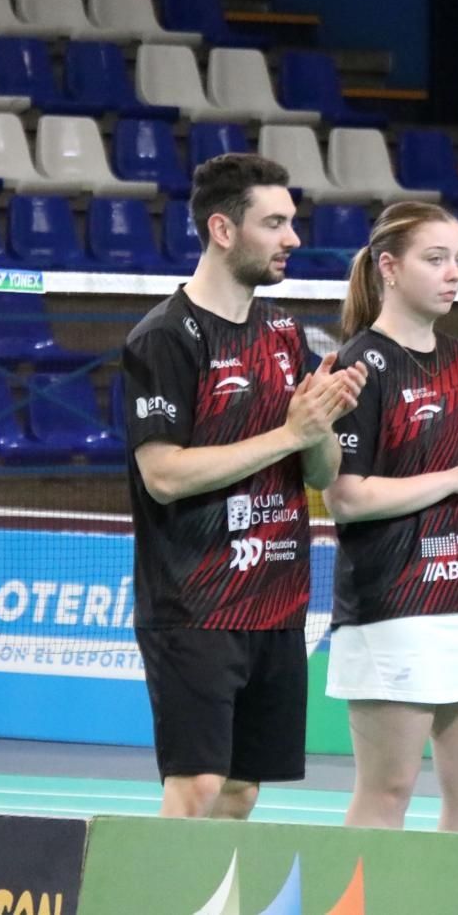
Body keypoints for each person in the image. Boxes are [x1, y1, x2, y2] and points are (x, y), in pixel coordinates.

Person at [123, 154, 367, 819]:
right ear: (224, 230)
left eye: (292, 222)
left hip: (277, 602)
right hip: (194, 604)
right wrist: (290, 433)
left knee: (240, 789)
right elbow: (163, 475)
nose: (293, 237)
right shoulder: (165, 338)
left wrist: (320, 425)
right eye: (275, 223)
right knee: (198, 784)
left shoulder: (282, 334)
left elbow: (321, 473)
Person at [321, 201, 458, 833]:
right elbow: (346, 498)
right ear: (389, 268)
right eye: (435, 259)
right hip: (394, 603)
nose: (453, 274)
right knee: (387, 791)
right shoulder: (358, 367)